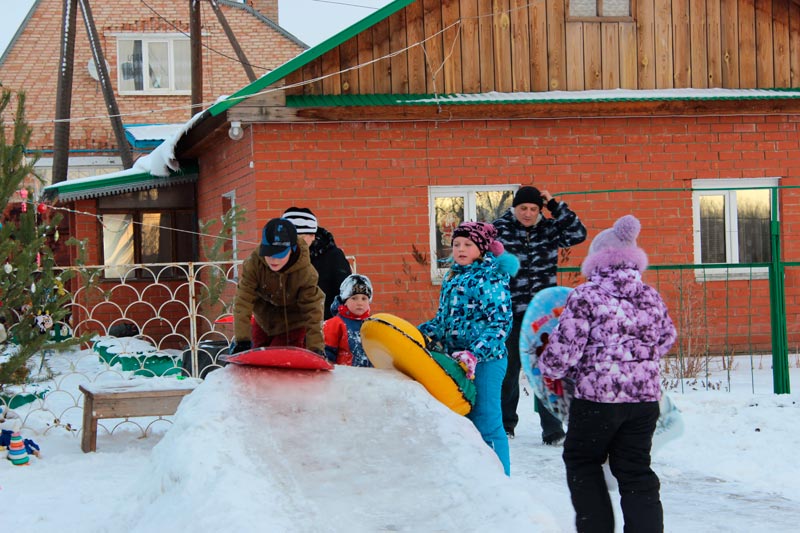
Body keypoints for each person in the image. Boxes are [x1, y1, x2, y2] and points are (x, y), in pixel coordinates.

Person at [539, 215, 677, 533]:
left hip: (598, 402)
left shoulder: (586, 296)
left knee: (582, 461)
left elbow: (565, 351)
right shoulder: (650, 295)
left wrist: (548, 369)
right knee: (636, 471)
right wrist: (637, 361)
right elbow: (667, 338)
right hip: (643, 402)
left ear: (597, 260)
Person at [419, 221, 519, 476]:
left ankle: (501, 481)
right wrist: (420, 334)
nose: (461, 249)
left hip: (486, 360)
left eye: (468, 244)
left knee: (487, 420)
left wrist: (475, 352)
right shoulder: (452, 276)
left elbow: (500, 323)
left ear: (482, 248)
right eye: (456, 244)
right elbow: (443, 320)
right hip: (456, 360)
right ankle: (477, 478)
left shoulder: (490, 277)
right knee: (464, 420)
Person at [493, 185, 587, 444]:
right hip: (510, 311)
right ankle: (505, 424)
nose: (527, 213)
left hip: (542, 315)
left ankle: (553, 429)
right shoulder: (499, 230)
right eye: (523, 208)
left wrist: (555, 207)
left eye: (533, 208)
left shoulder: (548, 228)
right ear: (514, 207)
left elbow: (578, 233)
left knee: (547, 369)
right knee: (509, 371)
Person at [230, 218, 325, 354]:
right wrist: (242, 340)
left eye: (280, 254)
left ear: (292, 249)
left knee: (278, 355)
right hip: (263, 320)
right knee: (256, 355)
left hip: (293, 323)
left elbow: (313, 310)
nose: (273, 260)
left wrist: (316, 348)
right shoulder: (254, 264)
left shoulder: (306, 273)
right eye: (269, 253)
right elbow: (243, 301)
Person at [282, 207, 352, 321]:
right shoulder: (277, 258)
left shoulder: (333, 257)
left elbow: (348, 294)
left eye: (301, 237)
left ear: (313, 236)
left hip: (324, 327)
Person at [323, 274, 374, 367]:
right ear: (345, 301)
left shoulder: (372, 324)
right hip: (345, 377)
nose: (360, 303)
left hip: (369, 377)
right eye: (354, 298)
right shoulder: (335, 324)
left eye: (364, 298)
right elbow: (327, 353)